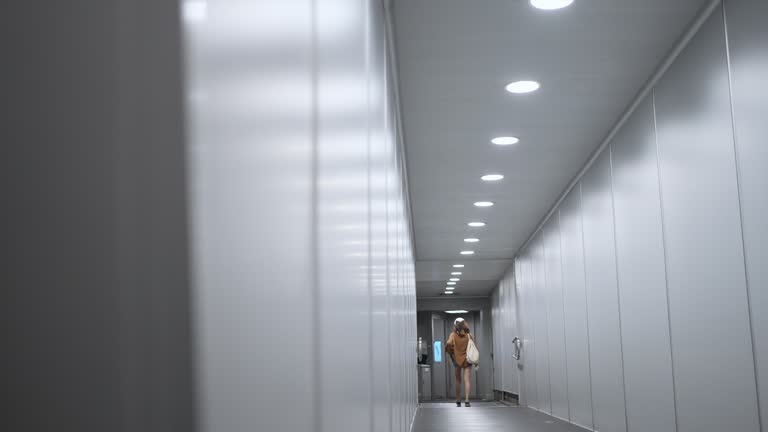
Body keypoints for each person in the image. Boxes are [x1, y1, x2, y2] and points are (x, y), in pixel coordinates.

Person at [445, 317, 476, 407]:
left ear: (455, 325)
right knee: (467, 380)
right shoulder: (469, 335)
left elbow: (449, 343)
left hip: (457, 360)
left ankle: (458, 400)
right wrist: (476, 362)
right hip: (467, 359)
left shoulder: (453, 335)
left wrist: (451, 352)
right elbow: (474, 347)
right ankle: (467, 400)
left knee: (458, 380)